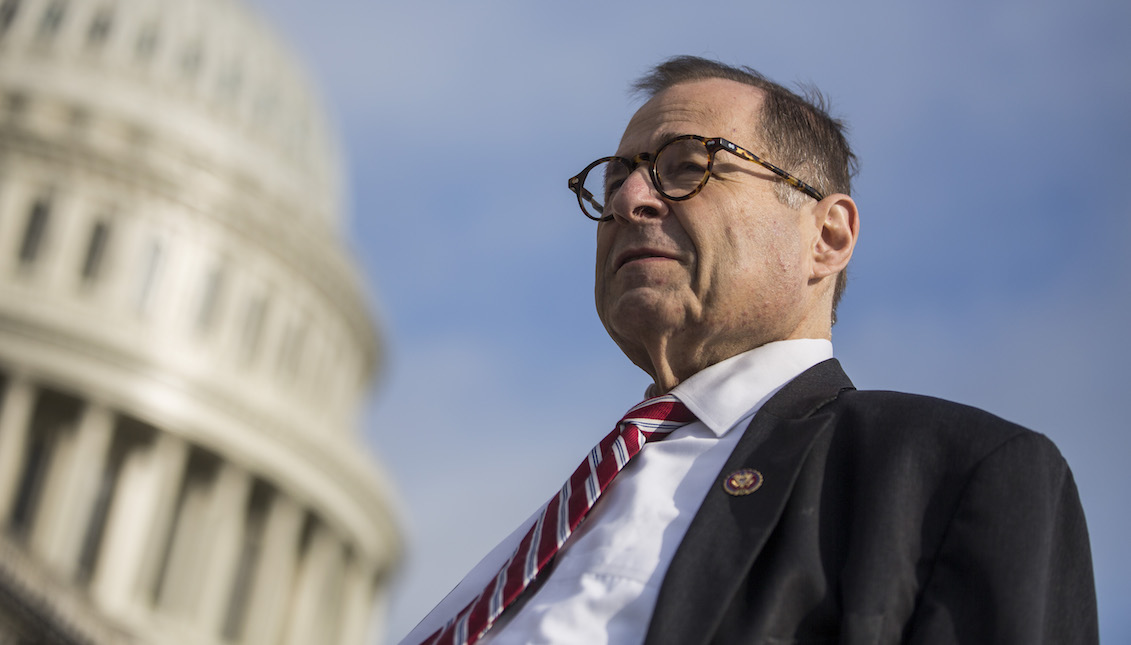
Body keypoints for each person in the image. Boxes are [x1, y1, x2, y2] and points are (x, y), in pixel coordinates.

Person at [403, 56, 1097, 645]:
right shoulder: (541, 533)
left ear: (825, 236)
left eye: (687, 166)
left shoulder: (948, 476)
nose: (629, 200)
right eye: (615, 180)